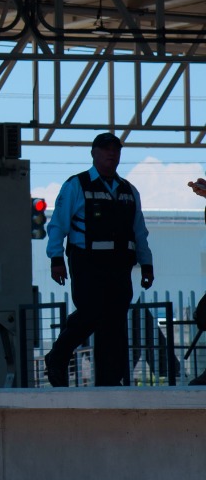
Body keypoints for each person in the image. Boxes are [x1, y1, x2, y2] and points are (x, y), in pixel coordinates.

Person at [43, 132, 154, 386]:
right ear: (93, 153)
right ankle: (58, 356)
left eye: (115, 149)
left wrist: (146, 263)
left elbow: (139, 232)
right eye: (105, 149)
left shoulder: (129, 191)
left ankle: (109, 382)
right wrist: (55, 259)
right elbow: (58, 225)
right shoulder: (76, 185)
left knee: (114, 323)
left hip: (119, 265)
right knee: (91, 312)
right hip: (87, 262)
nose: (111, 154)